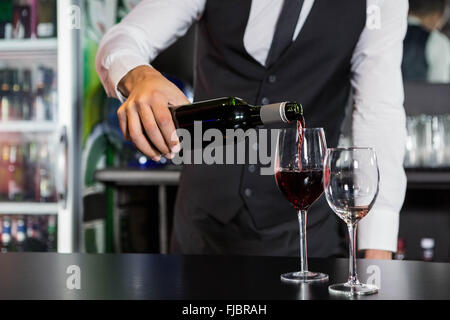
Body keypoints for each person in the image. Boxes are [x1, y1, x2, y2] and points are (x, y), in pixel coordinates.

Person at [96, 0, 408, 260]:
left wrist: (377, 253)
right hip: (202, 227)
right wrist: (139, 76)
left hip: (305, 231)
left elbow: (378, 113)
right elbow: (124, 38)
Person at [402, 0, 450, 82]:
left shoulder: (387, 34)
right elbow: (440, 88)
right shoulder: (438, 41)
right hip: (420, 94)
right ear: (435, 16)